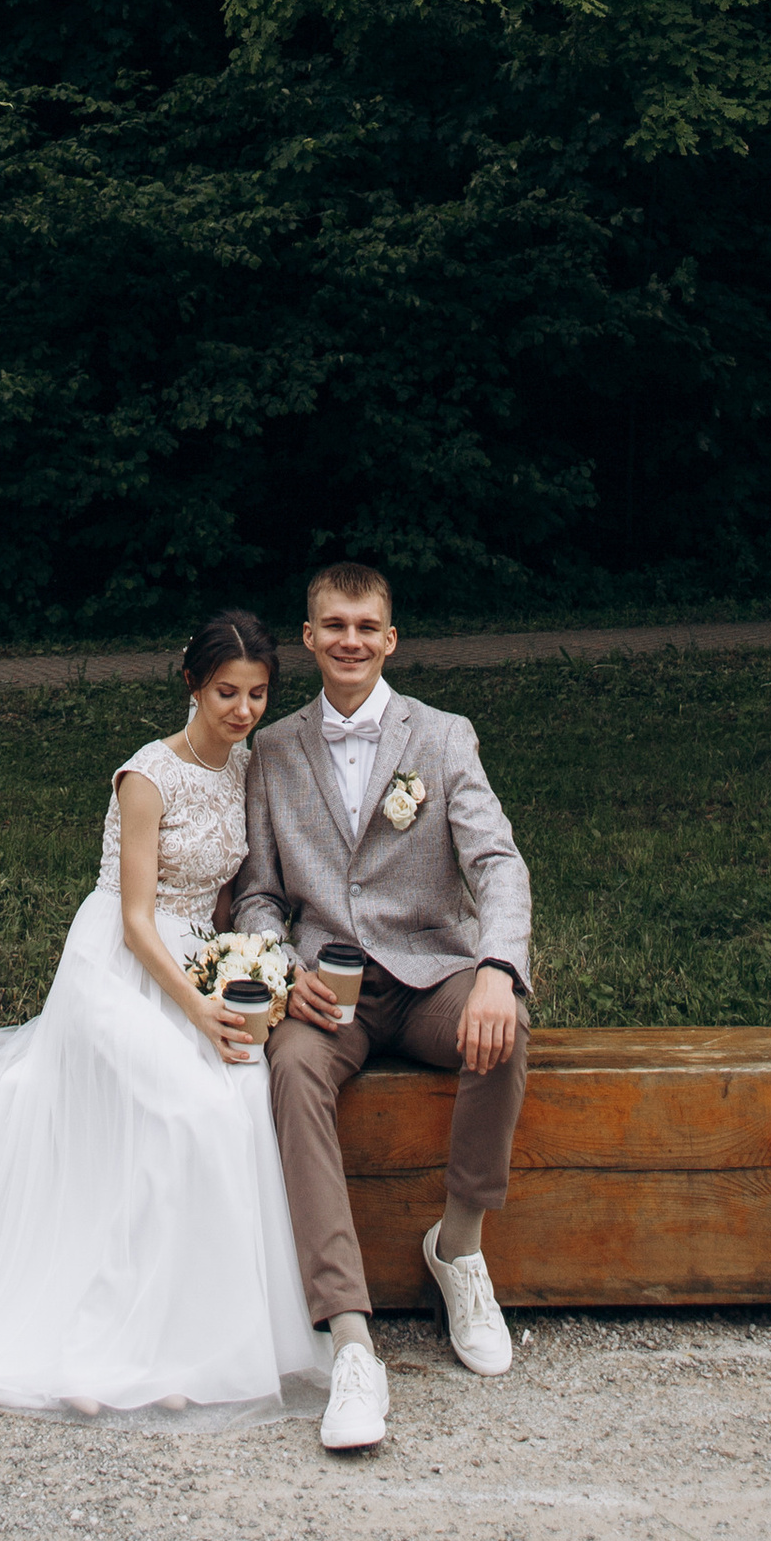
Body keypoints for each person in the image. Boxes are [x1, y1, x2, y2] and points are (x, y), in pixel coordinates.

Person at [0, 607, 328, 1422]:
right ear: (192, 684)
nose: (244, 710)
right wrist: (196, 1009)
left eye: (258, 694)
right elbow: (135, 919)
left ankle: (183, 1340)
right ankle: (99, 1340)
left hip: (197, 959)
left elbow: (224, 898)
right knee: (184, 1108)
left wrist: (239, 976)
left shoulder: (244, 768)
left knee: (235, 1100)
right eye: (228, 691)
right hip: (117, 969)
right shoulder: (146, 776)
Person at [239, 556, 533, 1455]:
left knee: (506, 1031)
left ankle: (459, 1250)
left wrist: (496, 967)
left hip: (432, 972)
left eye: (367, 627)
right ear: (310, 637)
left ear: (390, 638)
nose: (350, 641)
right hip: (330, 992)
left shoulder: (443, 738)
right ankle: (351, 1338)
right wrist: (280, 971)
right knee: (288, 1070)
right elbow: (258, 891)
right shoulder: (274, 750)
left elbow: (497, 865)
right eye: (334, 626)